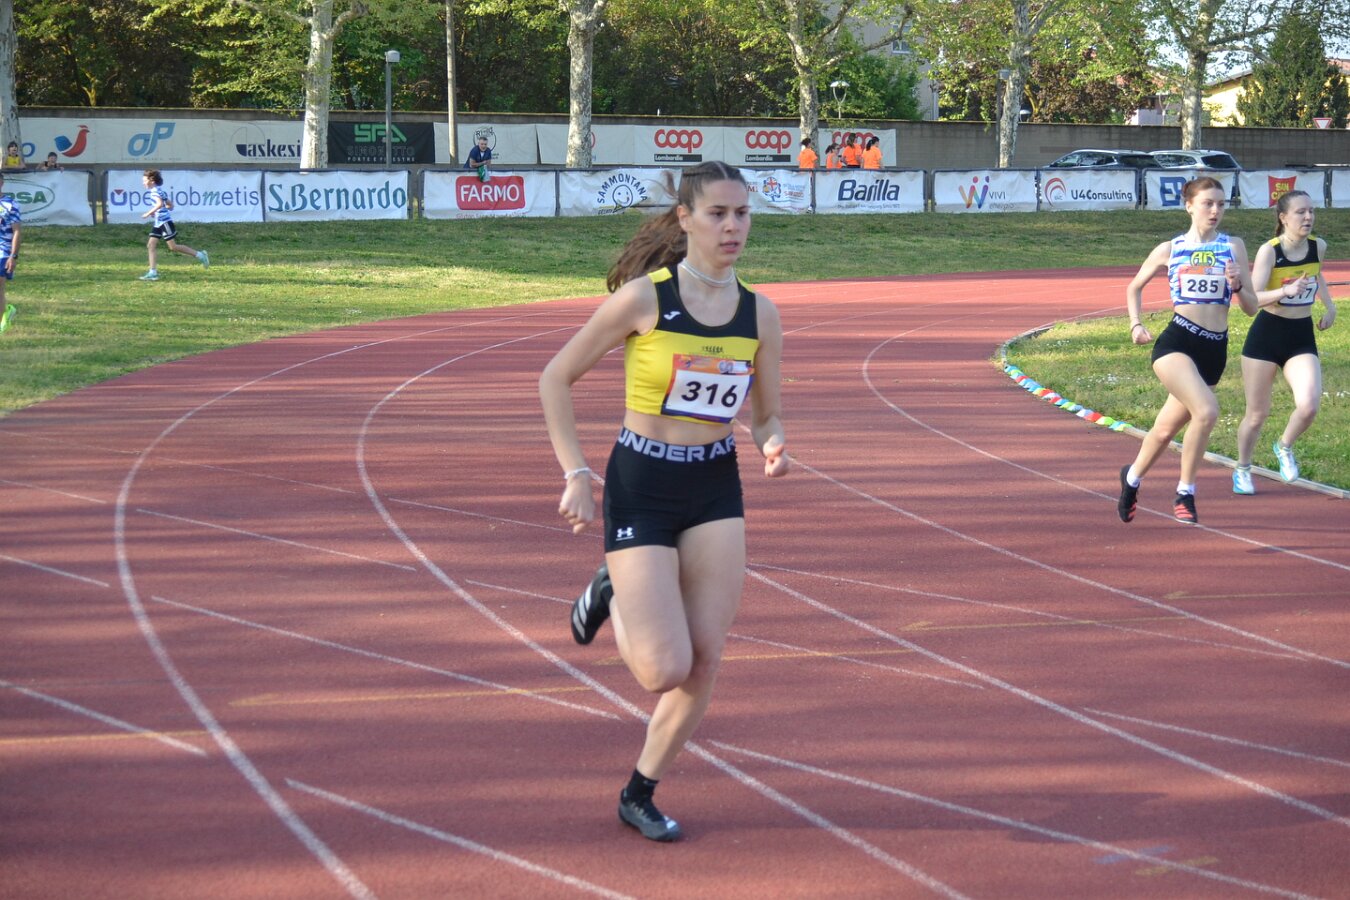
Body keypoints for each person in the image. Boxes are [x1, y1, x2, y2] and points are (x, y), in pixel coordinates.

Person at [539, 160, 789, 842]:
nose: (733, 227)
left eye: (743, 214)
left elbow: (765, 413)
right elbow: (555, 377)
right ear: (686, 219)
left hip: (714, 486)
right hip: (642, 482)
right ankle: (613, 591)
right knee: (662, 669)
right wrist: (575, 473)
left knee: (704, 660)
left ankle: (640, 791)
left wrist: (772, 441)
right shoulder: (645, 300)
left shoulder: (760, 313)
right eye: (718, 214)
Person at [1117, 176, 1256, 525]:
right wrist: (1135, 324)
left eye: (1221, 204)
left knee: (1165, 430)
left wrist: (1237, 285)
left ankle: (1131, 479)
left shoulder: (1233, 246)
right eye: (1208, 203)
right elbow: (1134, 288)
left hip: (1214, 350)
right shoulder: (1170, 249)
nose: (1215, 210)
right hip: (1177, 342)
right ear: (1189, 205)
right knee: (1206, 411)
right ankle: (1185, 492)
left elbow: (1251, 307)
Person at [1232, 190, 1337, 493]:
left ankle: (1284, 445)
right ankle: (1242, 468)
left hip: (1300, 335)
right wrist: (1283, 292)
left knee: (1309, 405)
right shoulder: (1270, 251)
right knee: (1256, 415)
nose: (1308, 217)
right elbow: (1252, 298)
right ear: (1283, 217)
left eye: (1311, 211)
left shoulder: (1318, 246)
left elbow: (1317, 275)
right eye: (1300, 212)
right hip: (1266, 336)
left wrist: (1329, 306)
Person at [138, 170, 208, 281]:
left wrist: (148, 213)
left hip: (165, 222)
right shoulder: (159, 190)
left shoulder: (154, 192)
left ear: (152, 180)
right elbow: (170, 205)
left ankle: (200, 255)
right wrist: (158, 211)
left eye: (144, 181)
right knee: (151, 245)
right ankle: (153, 272)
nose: (143, 183)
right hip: (158, 223)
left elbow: (159, 204)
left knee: (173, 247)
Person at [0, 173, 20, 334]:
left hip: (3, 250)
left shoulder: (10, 204)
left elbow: (17, 231)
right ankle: (8, 310)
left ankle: (2, 321)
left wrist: (13, 256)